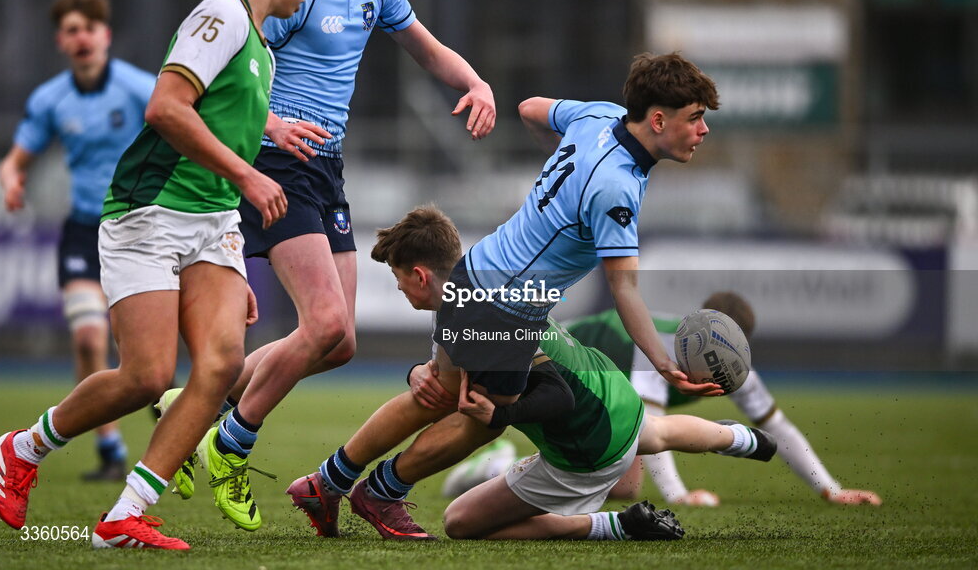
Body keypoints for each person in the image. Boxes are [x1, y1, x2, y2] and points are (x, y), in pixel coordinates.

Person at [284, 51, 725, 539]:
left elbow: (531, 107)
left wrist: (555, 165)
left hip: (478, 270)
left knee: (437, 393)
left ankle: (329, 481)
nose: (703, 130)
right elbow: (624, 288)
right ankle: (380, 494)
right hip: (506, 306)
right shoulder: (615, 187)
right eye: (695, 118)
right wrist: (663, 364)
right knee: (481, 420)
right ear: (659, 119)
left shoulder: (598, 116)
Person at [0, 0, 319, 551]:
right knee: (145, 374)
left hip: (210, 224)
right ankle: (23, 447)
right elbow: (166, 108)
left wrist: (228, 248)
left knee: (222, 364)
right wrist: (252, 180)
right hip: (148, 210)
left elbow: (227, 143)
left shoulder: (261, 47)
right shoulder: (221, 13)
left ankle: (123, 515)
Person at [189, 0, 497, 532]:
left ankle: (195, 405)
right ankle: (228, 442)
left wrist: (475, 83)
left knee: (339, 342)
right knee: (324, 324)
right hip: (276, 164)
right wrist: (268, 122)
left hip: (326, 170)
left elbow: (428, 49)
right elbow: (227, 78)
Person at [286, 205, 775, 541]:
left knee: (461, 520)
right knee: (656, 430)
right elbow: (445, 372)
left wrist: (504, 413)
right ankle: (742, 439)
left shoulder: (473, 317)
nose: (400, 292)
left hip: (586, 447)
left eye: (399, 281)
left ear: (420, 275)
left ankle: (618, 526)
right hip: (610, 389)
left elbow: (555, 397)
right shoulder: (474, 282)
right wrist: (422, 370)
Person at [0, 0, 156, 481]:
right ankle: (109, 447)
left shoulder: (138, 86)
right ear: (60, 42)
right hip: (85, 231)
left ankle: (172, 418)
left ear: (105, 35)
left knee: (150, 357)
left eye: (89, 28)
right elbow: (16, 158)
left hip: (144, 228)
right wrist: (11, 181)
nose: (81, 37)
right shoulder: (50, 99)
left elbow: (182, 126)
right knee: (89, 337)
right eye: (71, 31)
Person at [566, 295, 883, 507]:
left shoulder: (736, 368)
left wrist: (830, 489)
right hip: (572, 362)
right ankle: (518, 463)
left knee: (624, 489)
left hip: (614, 391)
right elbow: (654, 426)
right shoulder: (657, 346)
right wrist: (679, 497)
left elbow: (778, 428)